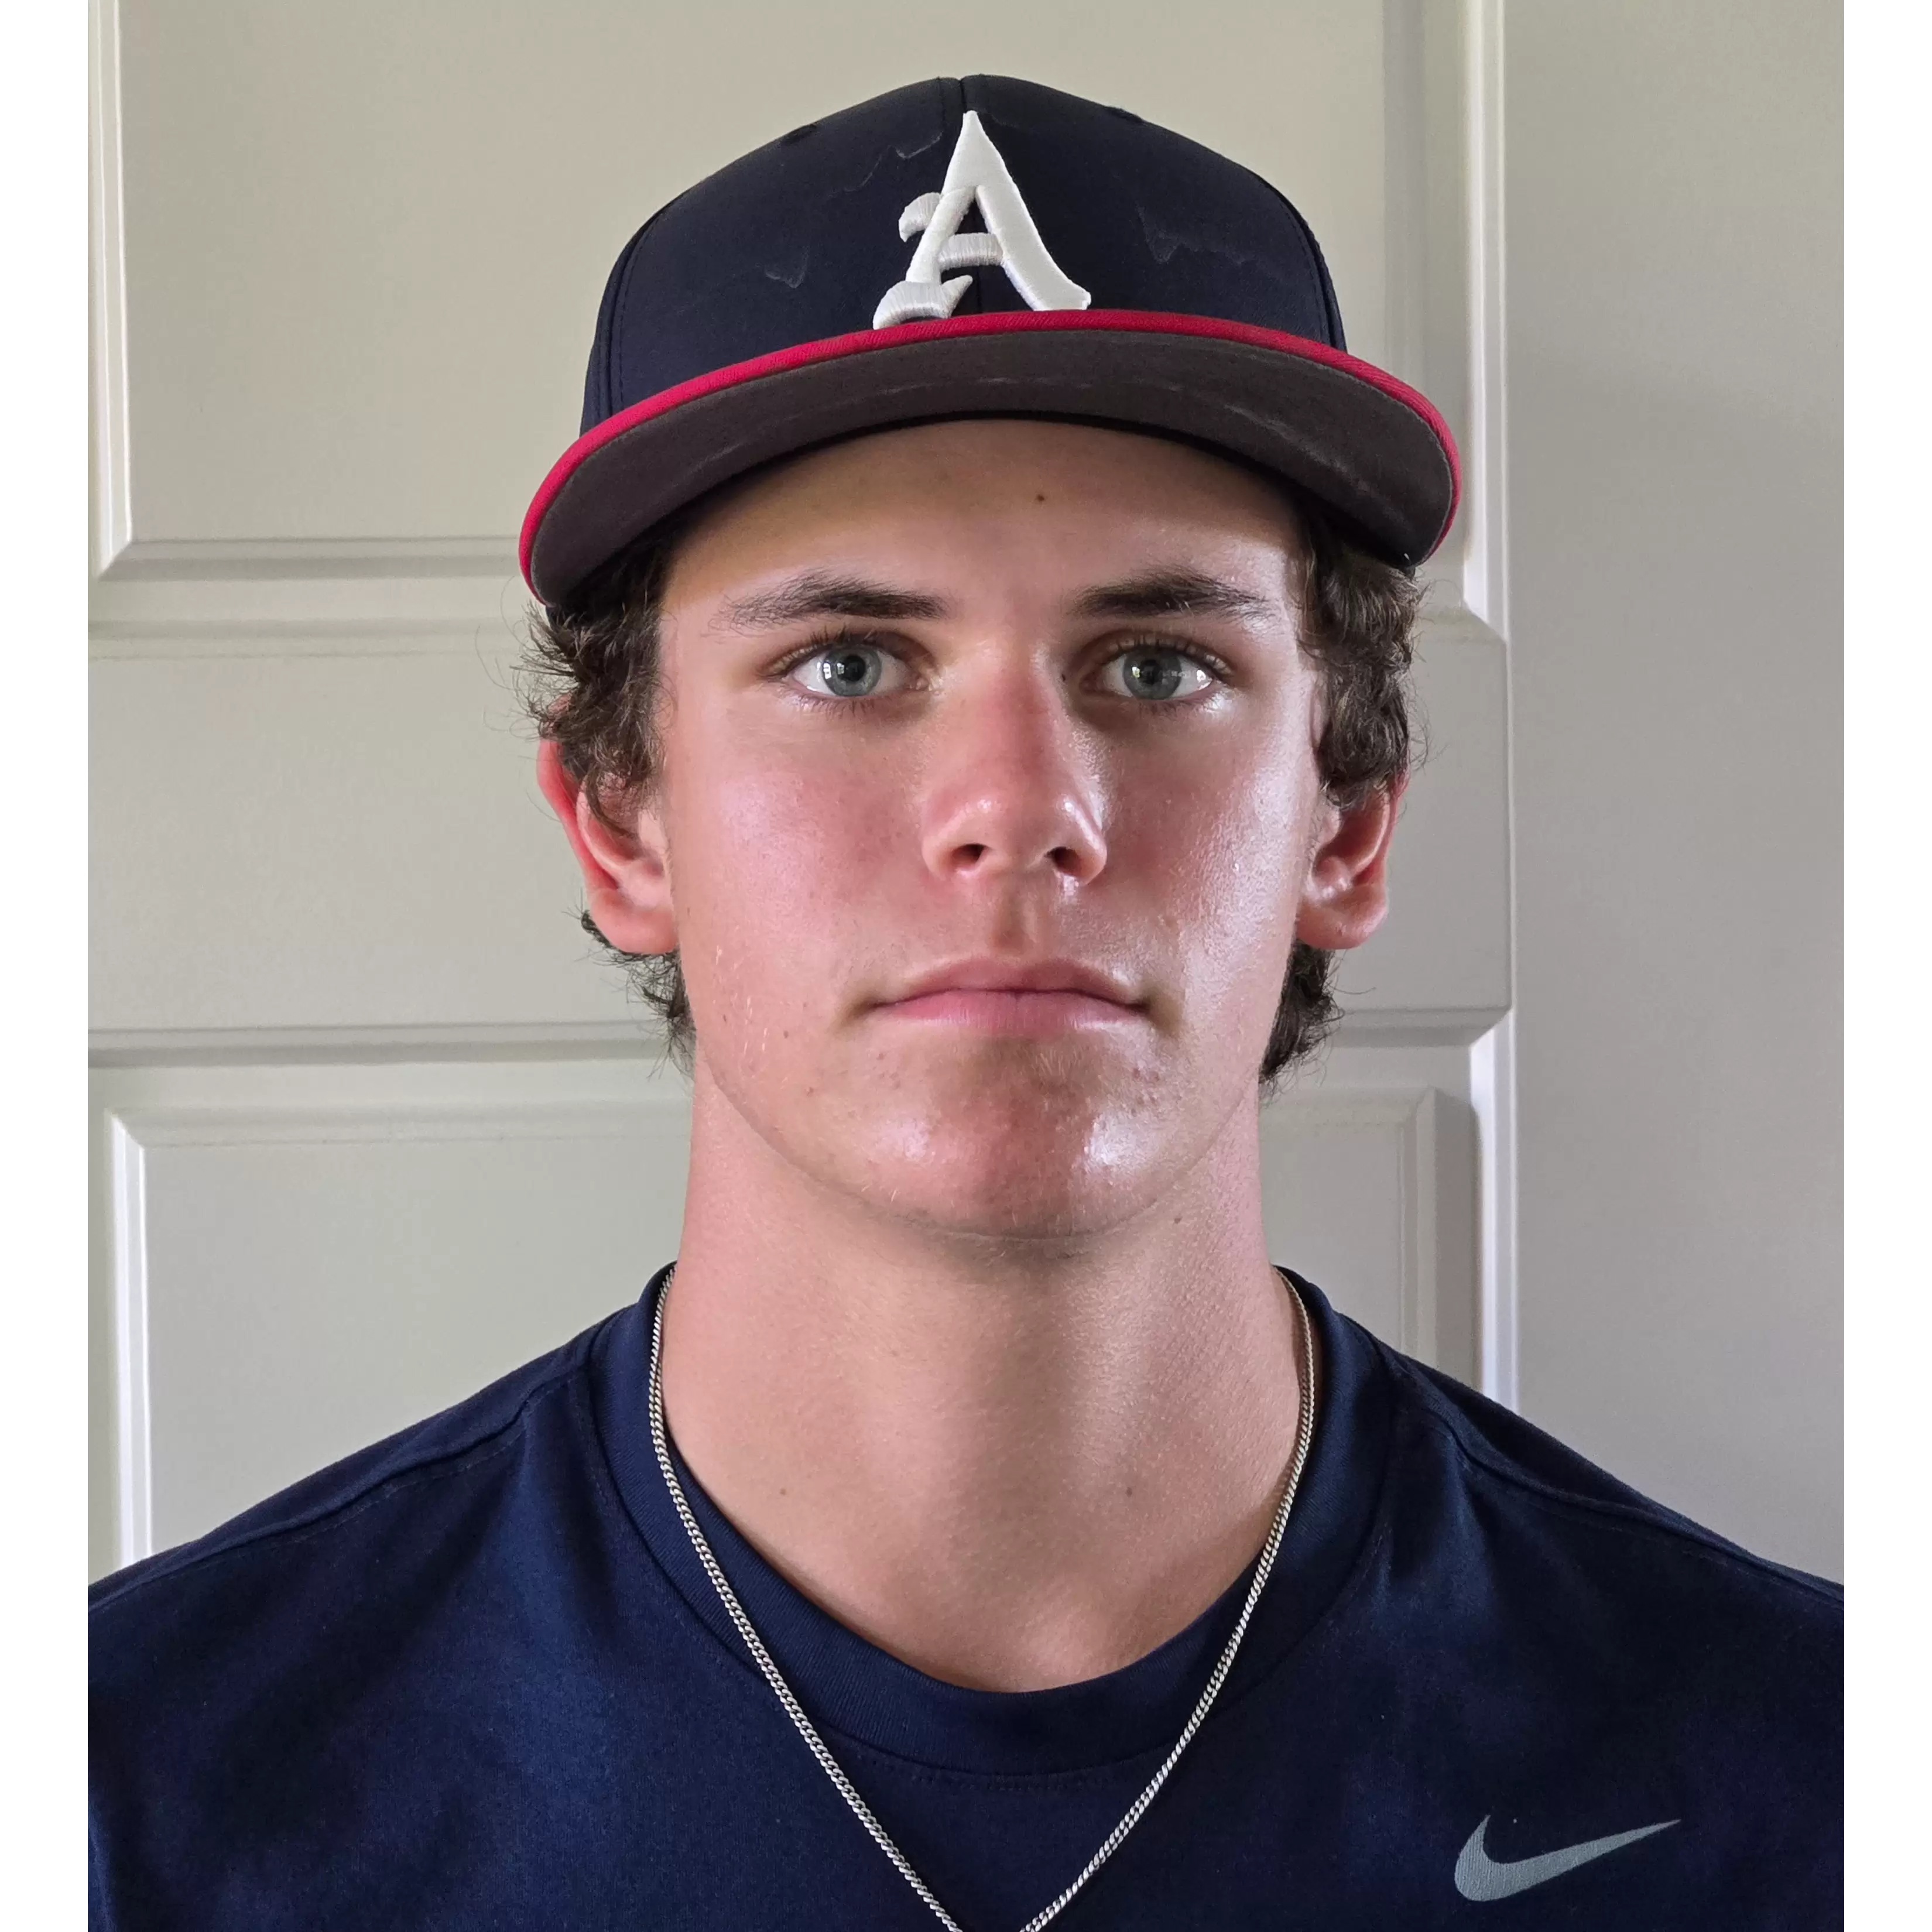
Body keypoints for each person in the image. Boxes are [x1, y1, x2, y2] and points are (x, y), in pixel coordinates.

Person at [87, 76, 1841, 1931]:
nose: (1020, 805)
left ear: (1346, 824)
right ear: (619, 822)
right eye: (849, 662)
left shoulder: (1782, 1779)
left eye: (1156, 664)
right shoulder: (158, 1787)